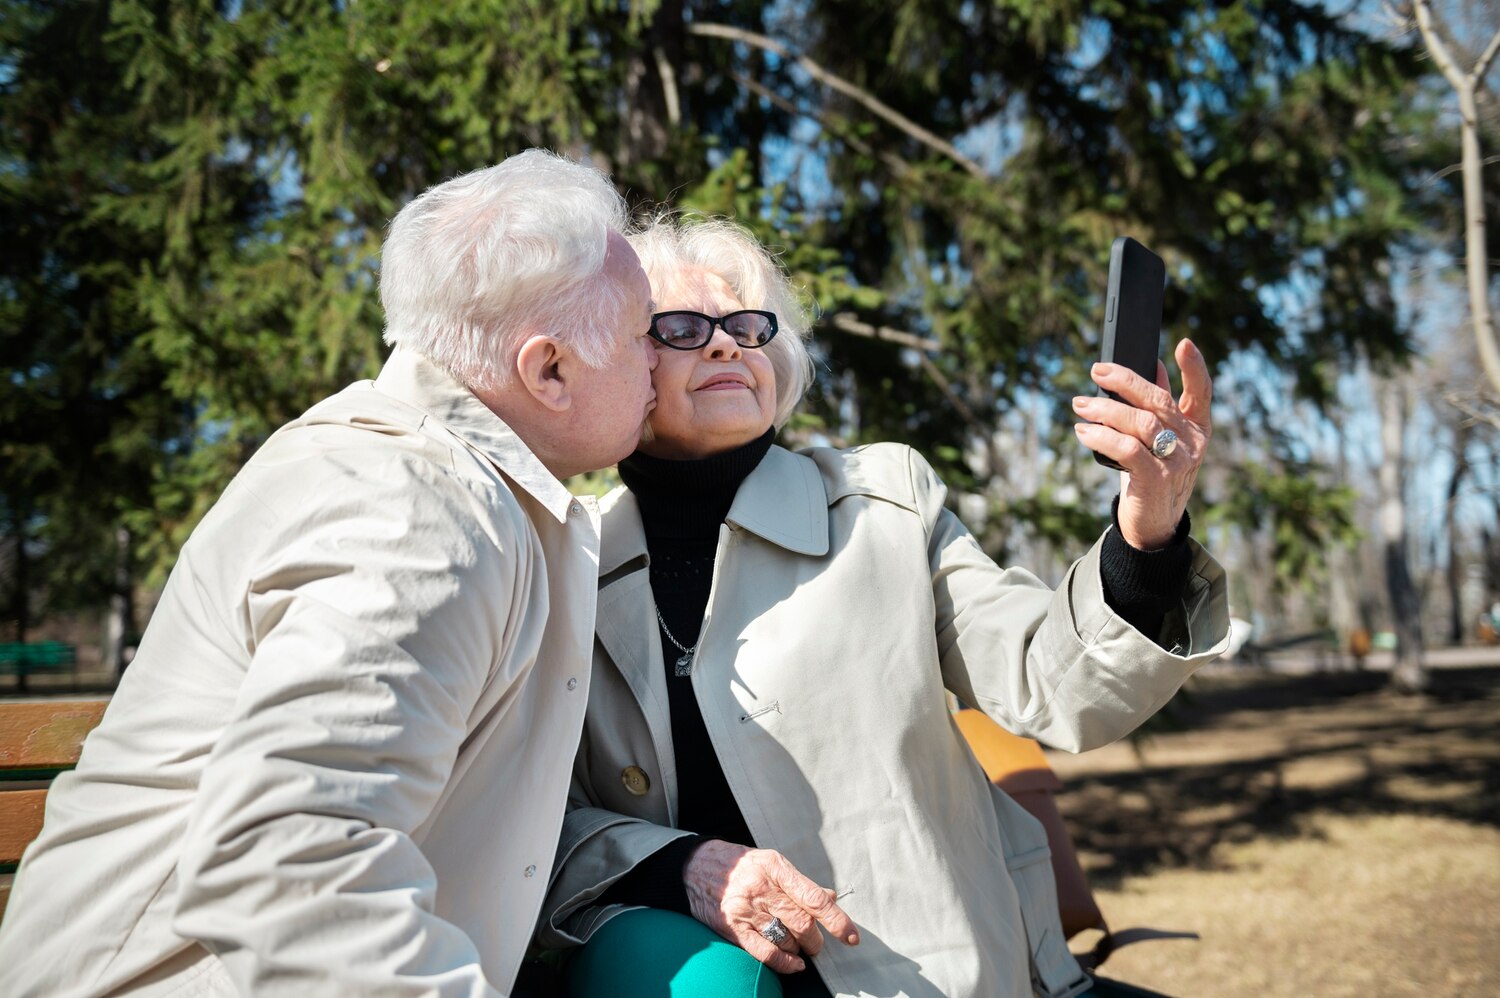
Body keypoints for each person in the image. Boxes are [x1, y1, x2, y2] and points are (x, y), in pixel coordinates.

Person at [0, 150, 658, 997]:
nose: (661, 361)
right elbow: (290, 857)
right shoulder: (417, 511)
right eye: (644, 331)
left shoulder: (449, 486)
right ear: (549, 370)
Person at [537, 217, 1230, 997]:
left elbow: (1053, 684)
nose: (727, 346)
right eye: (685, 328)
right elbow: (521, 825)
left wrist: (1149, 537)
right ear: (618, 362)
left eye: (747, 326)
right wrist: (679, 866)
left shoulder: (883, 505)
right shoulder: (565, 562)